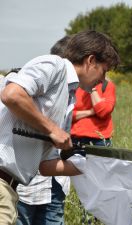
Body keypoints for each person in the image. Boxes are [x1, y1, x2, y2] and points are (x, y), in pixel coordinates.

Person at [0, 30, 119, 224]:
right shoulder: (54, 65)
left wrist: (90, 165)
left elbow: (45, 166)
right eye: (104, 71)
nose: (103, 79)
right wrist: (52, 129)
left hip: (10, 188)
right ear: (90, 61)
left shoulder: (68, 96)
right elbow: (11, 95)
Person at [15, 36, 71, 225]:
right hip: (23, 187)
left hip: (53, 185)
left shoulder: (71, 98)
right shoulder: (26, 89)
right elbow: (12, 96)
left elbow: (48, 163)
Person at [70, 78, 116, 147]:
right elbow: (67, 115)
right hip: (75, 138)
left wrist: (92, 89)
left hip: (100, 140)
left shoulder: (107, 85)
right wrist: (91, 112)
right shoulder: (73, 86)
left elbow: (103, 112)